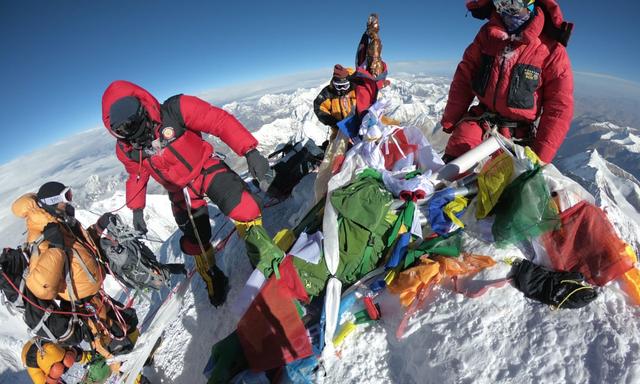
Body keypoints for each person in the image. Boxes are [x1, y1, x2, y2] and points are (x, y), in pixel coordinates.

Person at [101, 80, 281, 306]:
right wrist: (137, 209)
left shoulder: (175, 110)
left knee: (244, 208)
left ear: (143, 109)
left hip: (205, 168)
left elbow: (218, 121)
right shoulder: (127, 148)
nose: (137, 137)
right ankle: (212, 275)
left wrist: (249, 150)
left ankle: (262, 256)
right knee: (196, 239)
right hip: (179, 191)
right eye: (124, 132)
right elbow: (136, 174)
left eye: (137, 127)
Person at [441, 0, 574, 164]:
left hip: (518, 136)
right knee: (451, 169)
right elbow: (465, 76)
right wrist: (451, 118)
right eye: (501, 2)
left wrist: (540, 157)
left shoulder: (551, 49)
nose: (506, 10)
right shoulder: (488, 35)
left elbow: (558, 106)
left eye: (514, 2)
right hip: (479, 123)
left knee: (511, 184)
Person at [313, 64, 356, 202]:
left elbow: (368, 94)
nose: (342, 90)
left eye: (345, 86)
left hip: (357, 129)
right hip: (338, 133)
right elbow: (318, 107)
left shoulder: (355, 88)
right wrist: (333, 122)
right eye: (339, 86)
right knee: (336, 159)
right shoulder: (328, 93)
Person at [21, 338, 92, 384]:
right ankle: (89, 357)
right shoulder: (33, 366)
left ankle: (89, 357)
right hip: (32, 348)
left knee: (65, 361)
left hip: (39, 344)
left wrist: (87, 356)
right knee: (66, 360)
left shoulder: (57, 350)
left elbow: (70, 354)